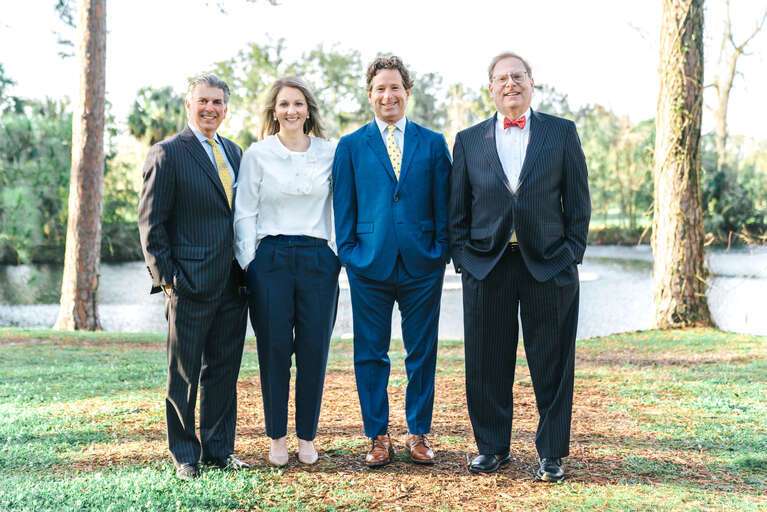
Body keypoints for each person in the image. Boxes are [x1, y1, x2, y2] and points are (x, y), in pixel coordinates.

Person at [448, 52, 591, 481]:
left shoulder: (561, 133)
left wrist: (570, 254)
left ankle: (551, 453)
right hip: (487, 265)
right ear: (490, 88)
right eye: (501, 78)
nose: (510, 83)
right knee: (486, 362)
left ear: (531, 83)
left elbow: (578, 203)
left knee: (552, 362)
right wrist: (464, 259)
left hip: (548, 266)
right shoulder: (468, 140)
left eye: (518, 76)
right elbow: (457, 211)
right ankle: (492, 448)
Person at [333, 55, 451, 467]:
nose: (388, 95)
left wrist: (440, 251)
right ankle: (377, 435)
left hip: (422, 265)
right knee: (370, 353)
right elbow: (344, 207)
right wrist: (350, 254)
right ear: (370, 95)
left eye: (395, 87)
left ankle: (418, 432)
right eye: (380, 88)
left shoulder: (432, 143)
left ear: (407, 92)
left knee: (421, 352)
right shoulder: (350, 146)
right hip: (369, 264)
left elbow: (445, 203)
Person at [138, 73, 250, 480]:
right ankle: (185, 454)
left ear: (226, 108)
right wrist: (168, 279)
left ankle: (220, 450)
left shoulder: (235, 152)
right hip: (188, 284)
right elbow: (151, 223)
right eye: (203, 100)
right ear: (189, 105)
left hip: (234, 284)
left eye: (217, 102)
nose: (210, 108)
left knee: (223, 372)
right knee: (183, 374)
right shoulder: (167, 153)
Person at [234, 77, 339, 467]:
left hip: (318, 259)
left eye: (298, 103)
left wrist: (335, 254)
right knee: (274, 350)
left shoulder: (331, 152)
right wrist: (251, 262)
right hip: (271, 259)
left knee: (314, 349)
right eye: (284, 104)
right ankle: (277, 436)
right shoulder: (258, 154)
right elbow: (245, 211)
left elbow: (339, 206)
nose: (291, 110)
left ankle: (307, 436)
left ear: (308, 109)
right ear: (274, 111)